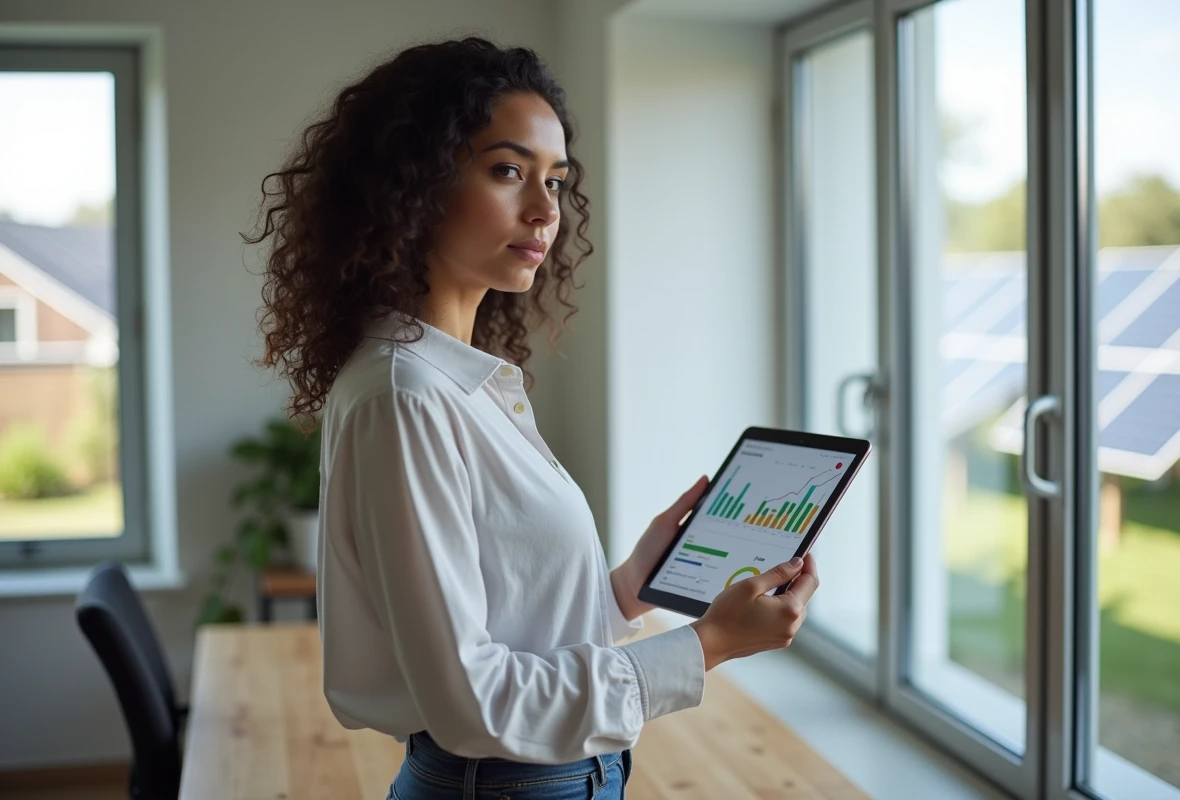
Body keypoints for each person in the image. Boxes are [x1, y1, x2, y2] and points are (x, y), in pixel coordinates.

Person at [245, 36, 820, 800]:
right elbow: (471, 700)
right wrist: (708, 644)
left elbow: (509, 622)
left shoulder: (455, 380)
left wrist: (628, 588)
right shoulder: (407, 396)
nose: (546, 209)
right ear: (412, 183)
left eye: (556, 179)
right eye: (508, 171)